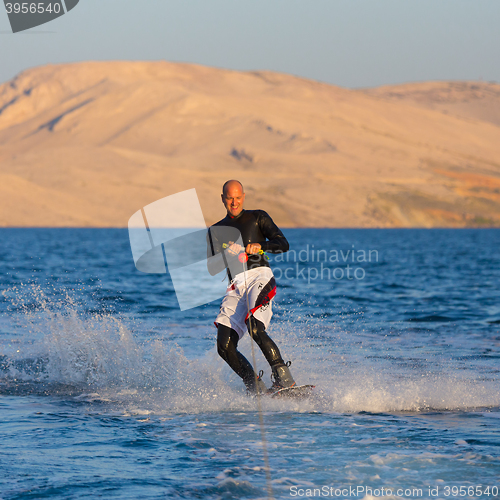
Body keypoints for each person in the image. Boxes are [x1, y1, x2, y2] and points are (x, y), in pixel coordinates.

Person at [207, 179, 295, 395]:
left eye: (238, 197)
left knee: (255, 326)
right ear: (222, 199)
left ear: (243, 197)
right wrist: (225, 256)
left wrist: (261, 246)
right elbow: (212, 267)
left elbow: (283, 244)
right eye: (229, 198)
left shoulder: (258, 217)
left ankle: (285, 379)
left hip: (259, 277)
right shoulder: (216, 230)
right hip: (235, 286)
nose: (234, 202)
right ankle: (255, 387)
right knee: (224, 346)